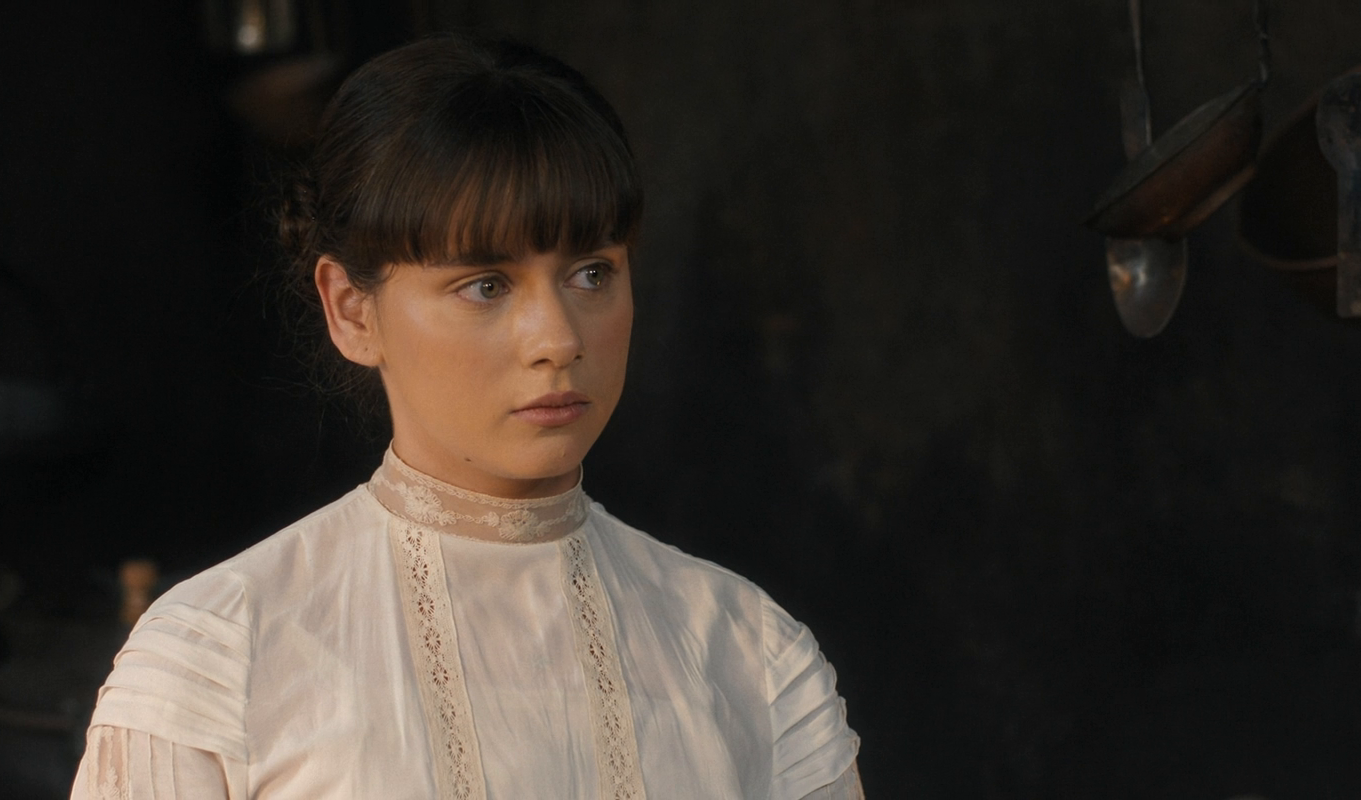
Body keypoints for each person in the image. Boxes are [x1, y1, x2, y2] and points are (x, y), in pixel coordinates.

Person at [70, 34, 861, 799]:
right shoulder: (219, 662)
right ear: (352, 311)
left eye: (592, 273)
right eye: (486, 285)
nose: (557, 339)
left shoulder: (751, 660)